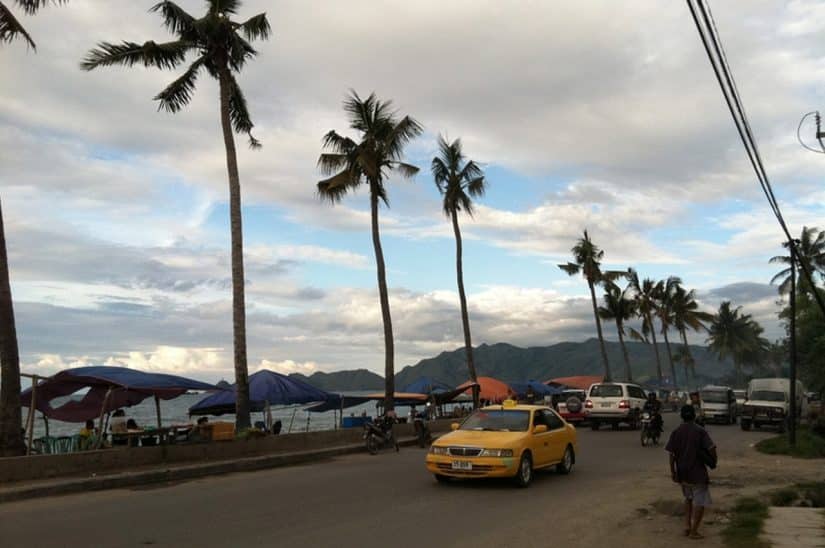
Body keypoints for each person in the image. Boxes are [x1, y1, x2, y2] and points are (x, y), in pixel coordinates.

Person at [666, 404, 717, 540]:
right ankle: (694, 532)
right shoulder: (700, 431)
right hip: (698, 473)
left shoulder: (676, 432)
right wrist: (713, 461)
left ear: (681, 416)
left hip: (683, 473)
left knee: (688, 499)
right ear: (694, 416)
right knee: (699, 502)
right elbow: (712, 448)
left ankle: (687, 527)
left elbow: (671, 455)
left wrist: (673, 472)